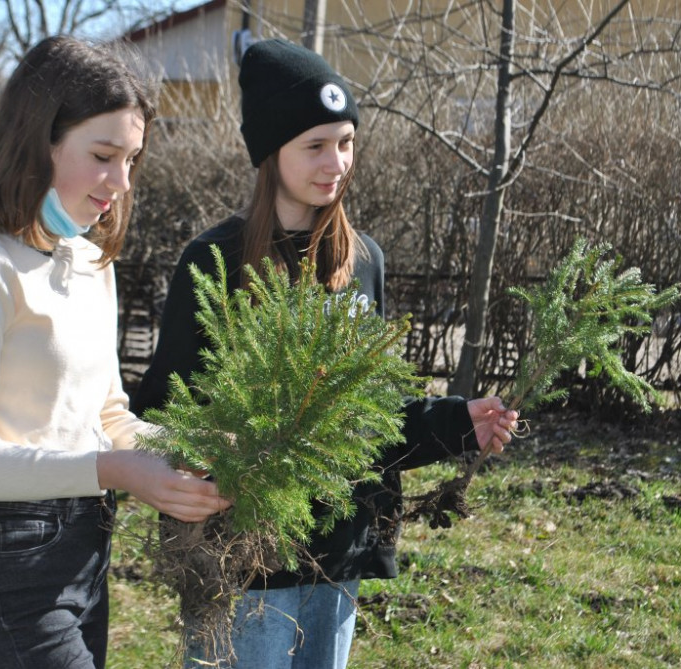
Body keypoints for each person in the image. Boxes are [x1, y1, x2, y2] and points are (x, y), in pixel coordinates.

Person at [131, 39, 519, 669]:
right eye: (315, 145)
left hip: (338, 557)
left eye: (345, 142)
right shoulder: (215, 261)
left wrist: (457, 423)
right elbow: (166, 410)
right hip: (245, 561)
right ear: (271, 153)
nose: (335, 162)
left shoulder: (362, 261)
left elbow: (371, 414)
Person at [0, 36, 230, 669]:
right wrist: (115, 471)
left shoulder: (89, 262)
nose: (122, 182)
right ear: (39, 142)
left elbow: (108, 416)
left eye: (132, 159)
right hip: (2, 571)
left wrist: (193, 450)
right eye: (104, 156)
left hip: (85, 555)